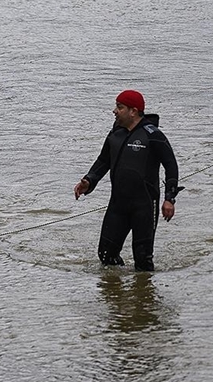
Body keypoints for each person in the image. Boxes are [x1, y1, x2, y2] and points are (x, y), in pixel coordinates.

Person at [73, 90, 182, 271]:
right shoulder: (115, 134)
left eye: (119, 107)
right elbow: (103, 161)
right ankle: (119, 294)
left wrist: (169, 199)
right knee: (106, 255)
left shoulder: (153, 135)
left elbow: (171, 166)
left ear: (133, 111)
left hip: (145, 205)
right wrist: (89, 181)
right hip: (118, 205)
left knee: (143, 260)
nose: (114, 111)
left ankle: (144, 297)